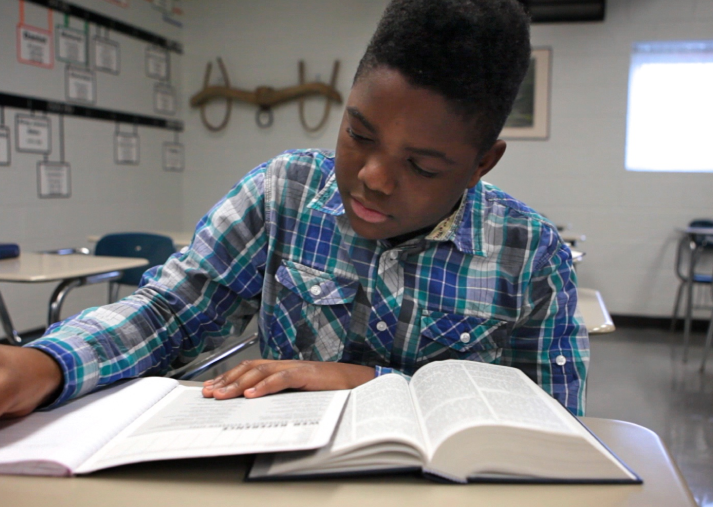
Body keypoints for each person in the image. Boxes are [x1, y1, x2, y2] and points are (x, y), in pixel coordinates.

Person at [0, 0, 588, 420]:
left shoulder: (531, 256)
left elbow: (552, 418)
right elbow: (172, 310)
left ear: (483, 163)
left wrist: (371, 384)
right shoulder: (283, 192)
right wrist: (46, 364)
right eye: (358, 133)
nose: (373, 178)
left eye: (423, 167)